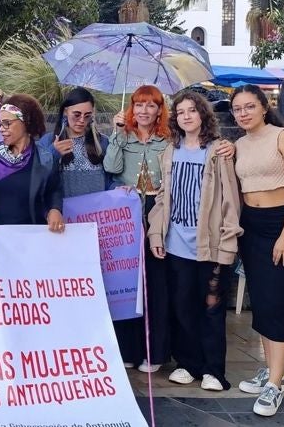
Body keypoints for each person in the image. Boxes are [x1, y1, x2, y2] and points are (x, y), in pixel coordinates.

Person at [147, 91, 242, 393]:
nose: (186, 116)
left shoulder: (218, 151)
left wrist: (228, 242)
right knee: (183, 307)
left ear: (203, 115)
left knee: (212, 309)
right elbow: (162, 198)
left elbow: (230, 200)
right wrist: (156, 233)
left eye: (192, 111)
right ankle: (188, 363)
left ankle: (214, 369)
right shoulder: (170, 152)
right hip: (176, 244)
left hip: (211, 245)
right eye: (180, 112)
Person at [230, 85, 284, 417]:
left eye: (249, 106)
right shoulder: (236, 145)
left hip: (283, 223)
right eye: (237, 109)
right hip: (252, 227)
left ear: (264, 107)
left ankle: (275, 384)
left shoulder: (282, 137)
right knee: (261, 303)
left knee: (277, 302)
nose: (243, 113)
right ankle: (273, 371)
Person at [103, 84, 172, 373]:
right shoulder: (124, 135)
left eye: (150, 105)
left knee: (155, 282)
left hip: (155, 212)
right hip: (126, 213)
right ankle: (128, 349)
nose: (144, 111)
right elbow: (110, 166)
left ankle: (154, 353)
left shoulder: (168, 140)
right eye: (138, 105)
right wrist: (118, 133)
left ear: (159, 110)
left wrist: (161, 191)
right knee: (127, 283)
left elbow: (171, 175)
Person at [0, 94, 65, 232]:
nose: (1, 129)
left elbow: (54, 191)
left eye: (7, 123)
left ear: (26, 121)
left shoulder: (46, 159)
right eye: (0, 123)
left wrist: (55, 209)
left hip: (33, 237)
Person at [40, 87, 111, 198]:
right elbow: (38, 177)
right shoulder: (49, 141)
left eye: (87, 116)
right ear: (65, 112)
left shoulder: (102, 142)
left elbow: (111, 179)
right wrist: (53, 153)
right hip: (64, 212)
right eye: (77, 115)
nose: (82, 120)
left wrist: (119, 187)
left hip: (97, 211)